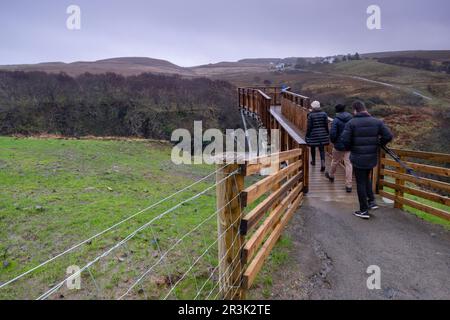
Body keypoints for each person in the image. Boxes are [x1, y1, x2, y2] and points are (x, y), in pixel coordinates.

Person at [341, 101, 393, 219]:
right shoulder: (377, 122)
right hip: (371, 157)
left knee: (360, 182)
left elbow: (344, 140)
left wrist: (351, 148)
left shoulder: (351, 123)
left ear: (355, 110)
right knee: (366, 178)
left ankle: (363, 210)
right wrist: (379, 144)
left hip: (358, 157)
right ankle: (371, 202)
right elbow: (388, 136)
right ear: (365, 109)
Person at [325, 104, 353, 192]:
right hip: (349, 145)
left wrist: (334, 142)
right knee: (348, 164)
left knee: (335, 161)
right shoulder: (351, 118)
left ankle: (331, 175)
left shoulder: (336, 120)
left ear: (336, 111)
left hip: (339, 145)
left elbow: (333, 134)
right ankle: (349, 185)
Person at [306, 100, 330, 172]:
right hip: (322, 133)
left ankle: (313, 161)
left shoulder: (310, 115)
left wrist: (307, 134)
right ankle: (323, 163)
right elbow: (326, 125)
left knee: (312, 147)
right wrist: (327, 132)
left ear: (312, 107)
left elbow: (309, 126)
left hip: (313, 134)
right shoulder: (324, 114)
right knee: (321, 149)